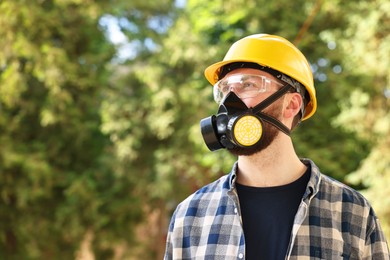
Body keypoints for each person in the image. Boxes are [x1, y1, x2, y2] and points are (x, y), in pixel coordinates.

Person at [164, 34, 390, 259]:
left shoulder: (353, 213)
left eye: (248, 85)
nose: (229, 102)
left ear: (291, 105)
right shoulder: (191, 216)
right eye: (225, 90)